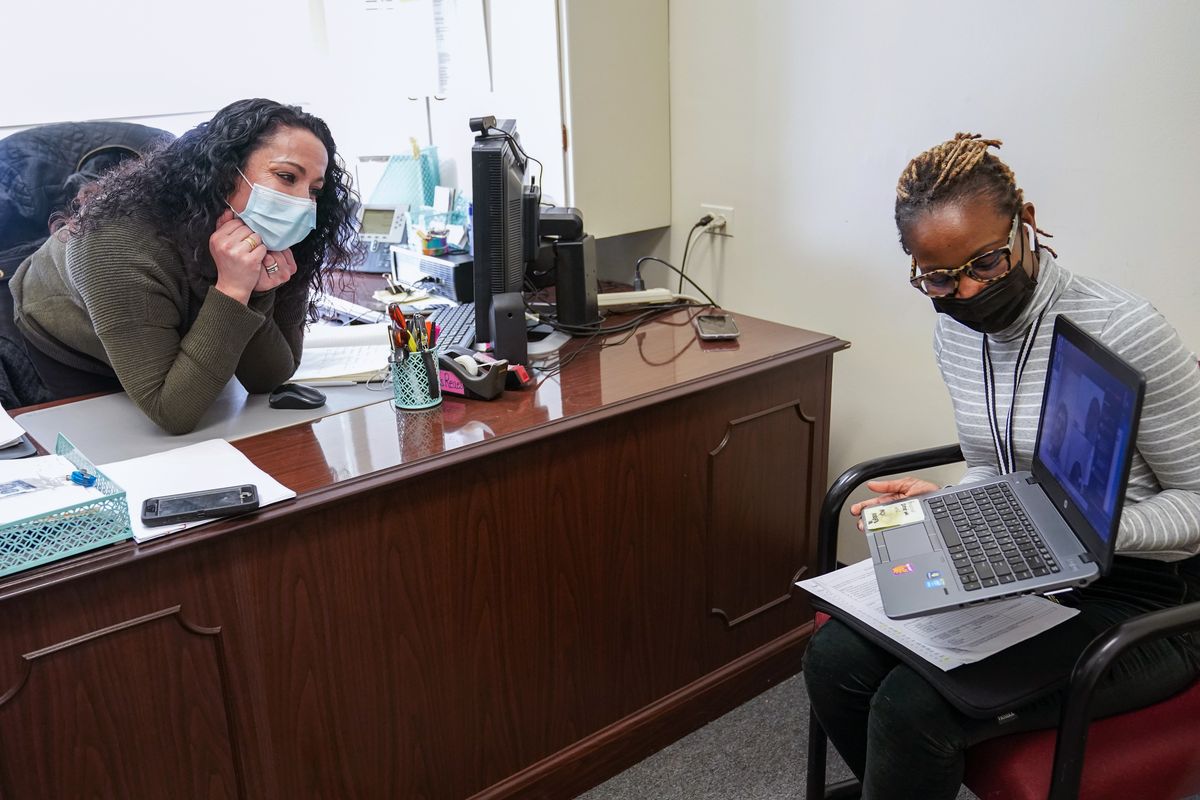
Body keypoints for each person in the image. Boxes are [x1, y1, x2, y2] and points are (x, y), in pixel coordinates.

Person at [803, 133, 1200, 800]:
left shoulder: (1126, 329)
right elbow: (995, 465)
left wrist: (1090, 536)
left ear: (1028, 224)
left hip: (1152, 602)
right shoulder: (956, 329)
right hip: (1041, 572)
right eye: (937, 277)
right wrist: (957, 506)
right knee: (832, 659)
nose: (965, 290)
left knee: (912, 711)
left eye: (985, 262)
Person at [10, 98, 359, 433]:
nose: (302, 203)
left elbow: (269, 379)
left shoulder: (272, 236)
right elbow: (172, 412)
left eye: (314, 189)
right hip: (67, 344)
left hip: (172, 336)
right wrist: (234, 289)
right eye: (286, 176)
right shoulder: (113, 242)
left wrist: (253, 294)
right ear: (225, 172)